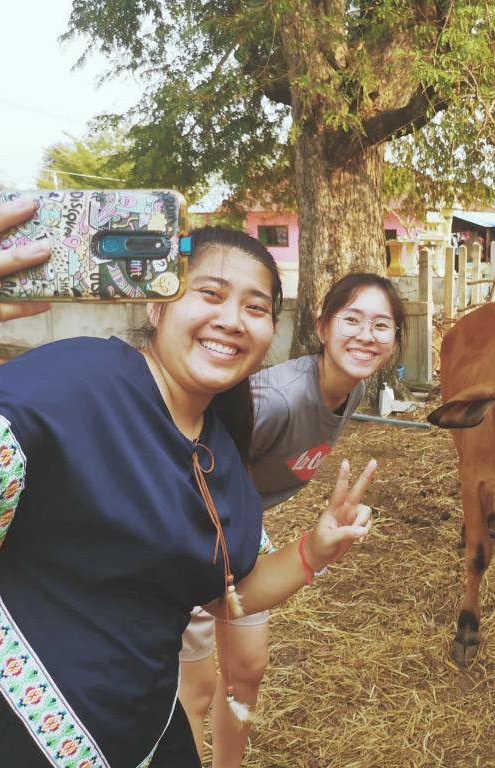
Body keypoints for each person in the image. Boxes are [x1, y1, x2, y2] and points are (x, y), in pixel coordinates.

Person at [0, 177, 376, 768]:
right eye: (210, 293)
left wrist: (315, 549)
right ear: (157, 302)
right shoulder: (84, 378)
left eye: (256, 308)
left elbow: (227, 594)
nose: (233, 319)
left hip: (141, 727)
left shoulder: (221, 453)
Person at [178, 273, 406, 767]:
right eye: (352, 320)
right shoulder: (274, 401)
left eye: (381, 325)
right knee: (193, 690)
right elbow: (193, 463)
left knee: (247, 671)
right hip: (188, 528)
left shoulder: (355, 389)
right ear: (322, 328)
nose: (366, 335)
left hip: (241, 524)